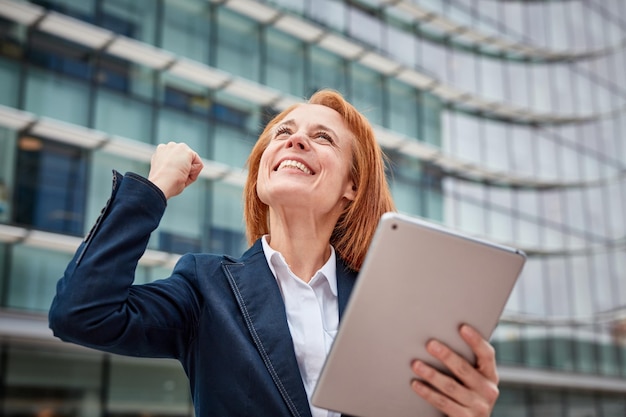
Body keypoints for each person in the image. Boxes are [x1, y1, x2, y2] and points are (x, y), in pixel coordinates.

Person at [49, 89, 500, 417]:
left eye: (322, 137)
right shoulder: (204, 287)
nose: (295, 140)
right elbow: (80, 313)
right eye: (283, 132)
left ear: (352, 186)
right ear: (263, 171)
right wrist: (152, 192)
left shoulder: (389, 301)